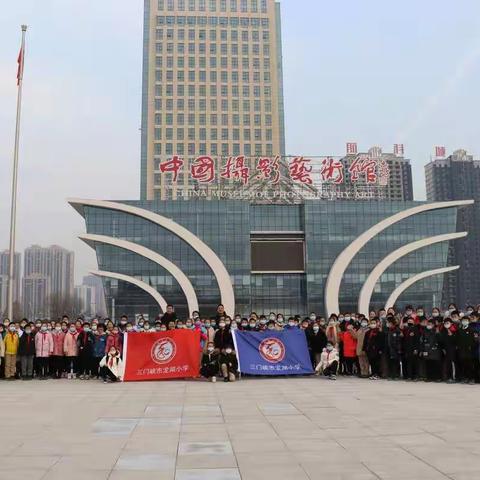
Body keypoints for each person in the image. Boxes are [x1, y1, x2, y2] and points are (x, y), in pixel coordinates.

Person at [456, 316, 475, 383]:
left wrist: (471, 347)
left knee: (470, 364)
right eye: (463, 320)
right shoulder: (459, 330)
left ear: (469, 321)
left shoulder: (471, 330)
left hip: (469, 350)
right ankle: (465, 377)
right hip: (461, 350)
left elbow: (474, 340)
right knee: (463, 364)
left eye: (466, 320)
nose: (464, 321)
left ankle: (471, 378)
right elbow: (457, 340)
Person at [439, 318, 457, 383]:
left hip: (452, 349)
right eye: (445, 323)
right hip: (445, 349)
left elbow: (456, 341)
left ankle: (453, 377)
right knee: (447, 364)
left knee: (452, 363)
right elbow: (441, 341)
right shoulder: (442, 331)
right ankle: (447, 377)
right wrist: (443, 348)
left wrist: (451, 335)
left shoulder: (454, 330)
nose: (446, 324)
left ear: (451, 323)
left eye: (448, 323)